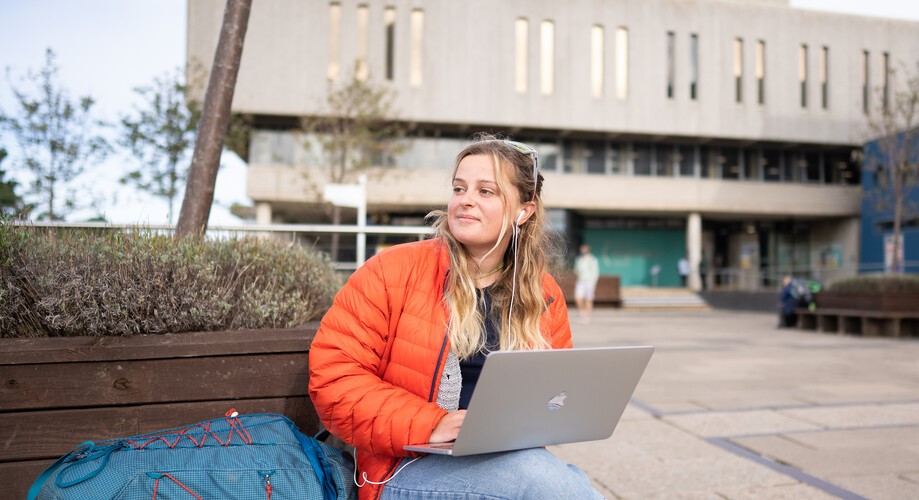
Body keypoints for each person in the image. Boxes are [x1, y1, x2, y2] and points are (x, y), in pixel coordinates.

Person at [308, 135, 603, 500]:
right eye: (459, 188)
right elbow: (334, 380)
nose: (465, 200)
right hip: (401, 467)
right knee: (547, 484)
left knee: (560, 482)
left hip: (504, 462)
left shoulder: (542, 293)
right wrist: (433, 424)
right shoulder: (393, 270)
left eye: (486, 191)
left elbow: (555, 397)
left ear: (522, 212)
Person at [574, 244, 600, 322]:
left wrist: (593, 282)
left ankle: (588, 315)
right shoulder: (579, 259)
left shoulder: (593, 260)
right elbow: (576, 270)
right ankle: (582, 312)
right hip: (581, 281)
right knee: (578, 297)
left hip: (590, 281)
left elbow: (595, 272)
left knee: (588, 299)